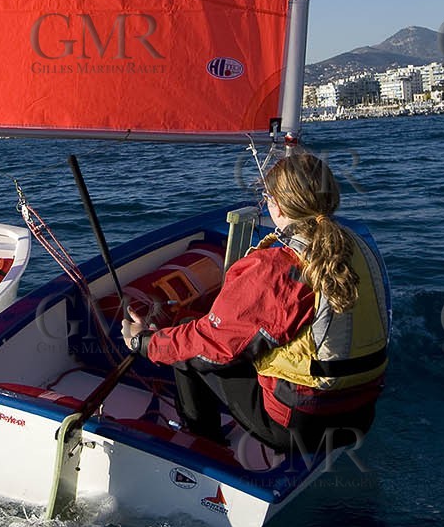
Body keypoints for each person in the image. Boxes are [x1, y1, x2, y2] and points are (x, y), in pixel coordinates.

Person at [121, 151, 389, 457]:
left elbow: (210, 344)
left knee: (187, 346)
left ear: (278, 205)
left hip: (301, 426)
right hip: (359, 415)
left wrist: (144, 342)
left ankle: (205, 450)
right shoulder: (356, 244)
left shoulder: (278, 266)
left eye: (267, 196)